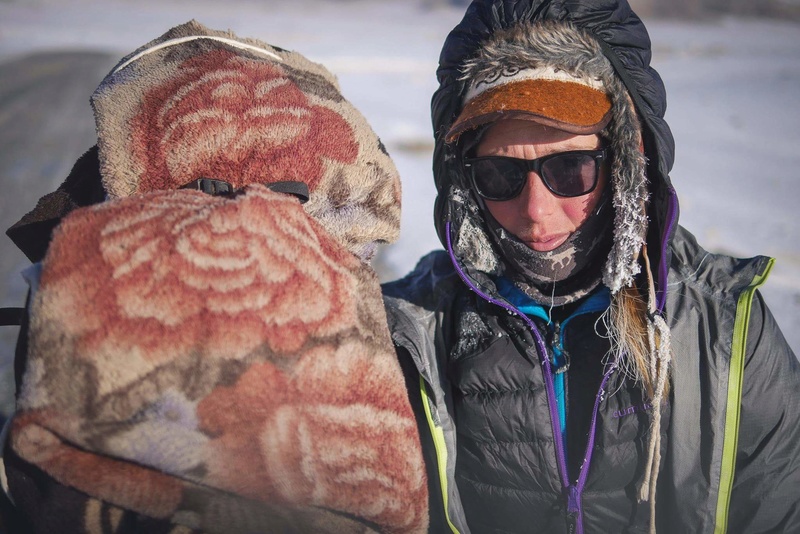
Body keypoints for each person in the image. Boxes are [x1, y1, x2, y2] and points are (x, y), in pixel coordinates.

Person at [382, 1, 800, 533]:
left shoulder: (725, 335)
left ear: (625, 161)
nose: (535, 211)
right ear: (465, 181)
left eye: (570, 168)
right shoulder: (414, 336)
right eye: (499, 173)